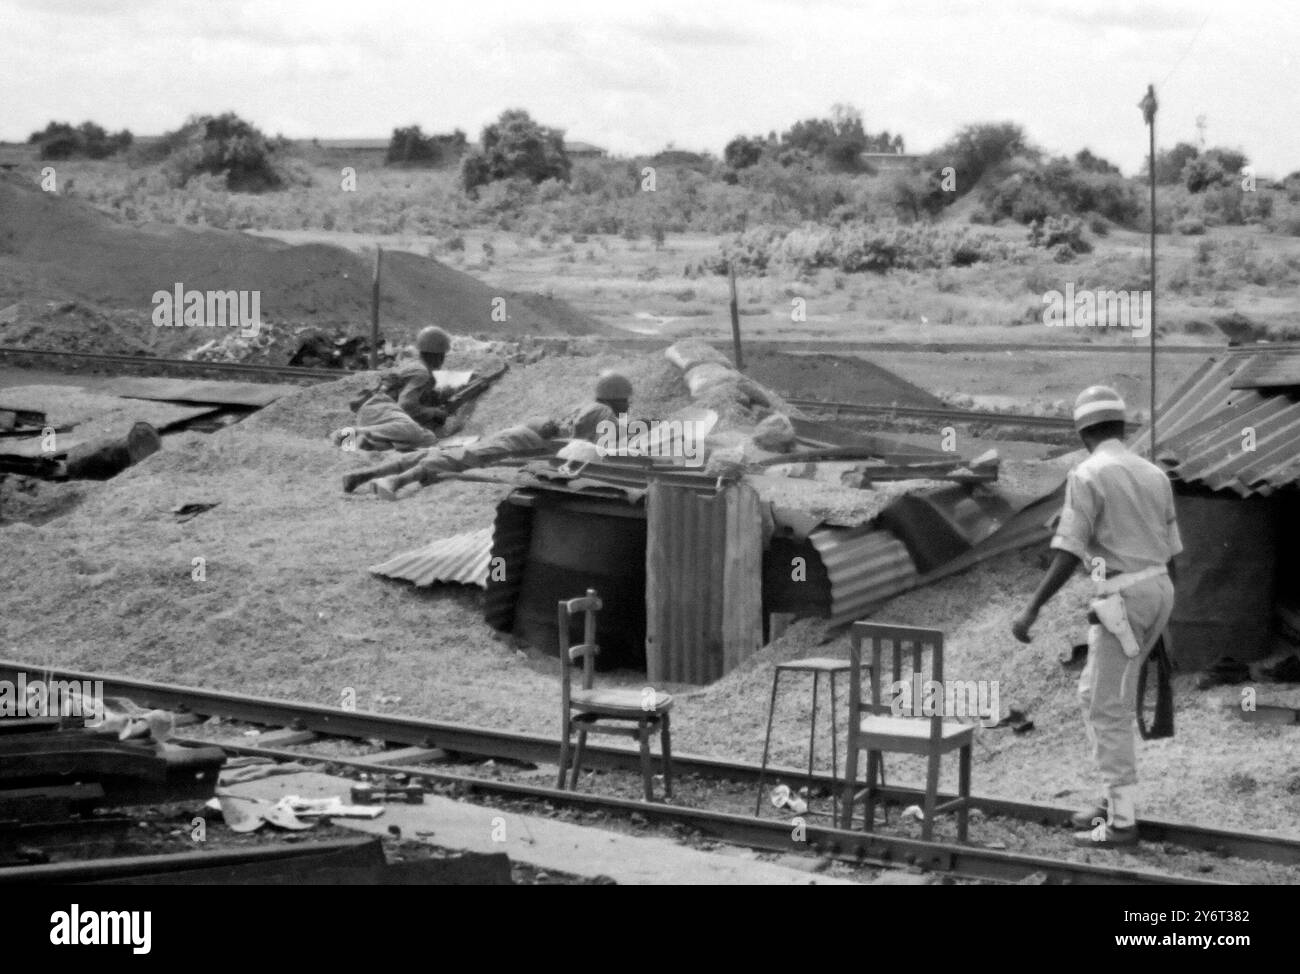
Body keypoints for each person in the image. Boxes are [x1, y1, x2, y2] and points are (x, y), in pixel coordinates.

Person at [1010, 385, 1181, 847]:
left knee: (1107, 706)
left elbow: (1067, 550)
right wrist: (1162, 611)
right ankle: (1114, 797)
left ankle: (1122, 822)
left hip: (1123, 597)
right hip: (1157, 588)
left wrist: (1031, 609)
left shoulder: (1087, 474)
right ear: (1122, 427)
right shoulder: (1153, 473)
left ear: (1082, 432)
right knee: (1097, 693)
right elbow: (1173, 552)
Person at [343, 418, 559, 499]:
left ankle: (364, 476)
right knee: (447, 459)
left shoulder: (523, 431)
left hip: (491, 441)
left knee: (428, 455)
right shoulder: (529, 438)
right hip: (492, 445)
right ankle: (394, 481)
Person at [331, 326, 452, 451]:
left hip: (379, 413)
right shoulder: (422, 372)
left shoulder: (416, 367)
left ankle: (358, 442)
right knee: (412, 431)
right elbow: (406, 405)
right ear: (440, 356)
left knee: (428, 439)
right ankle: (350, 434)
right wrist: (434, 412)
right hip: (379, 407)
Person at [559, 371, 632, 442]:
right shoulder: (604, 411)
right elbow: (611, 441)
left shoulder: (585, 407)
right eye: (624, 400)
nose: (628, 405)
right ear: (613, 399)